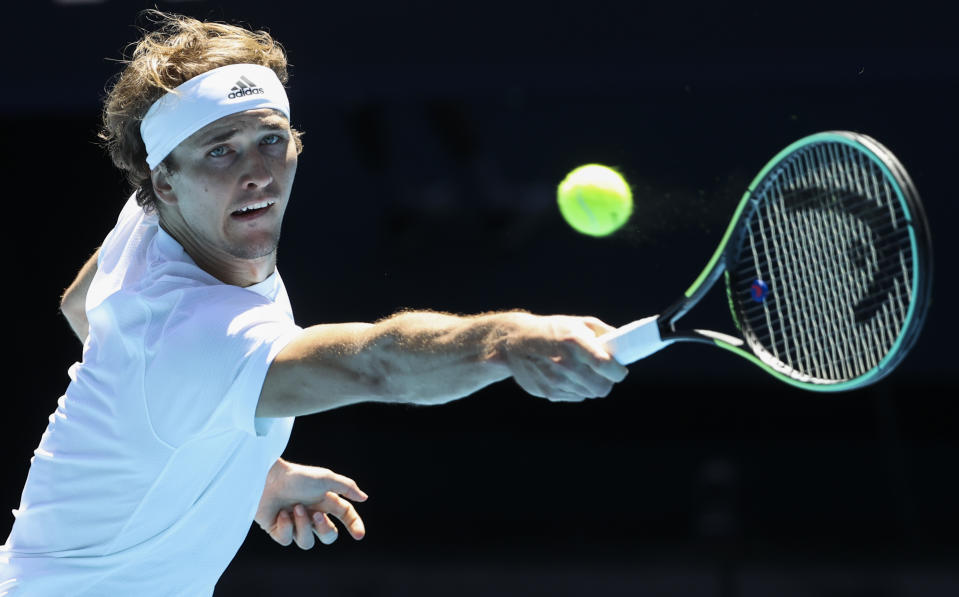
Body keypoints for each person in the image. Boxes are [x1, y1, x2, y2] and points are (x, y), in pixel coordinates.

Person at [0, 11, 628, 595]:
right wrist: (508, 339)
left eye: (270, 139)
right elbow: (375, 364)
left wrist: (247, 466)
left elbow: (82, 306)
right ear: (164, 180)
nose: (257, 172)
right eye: (221, 149)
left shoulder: (149, 220)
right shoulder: (193, 334)